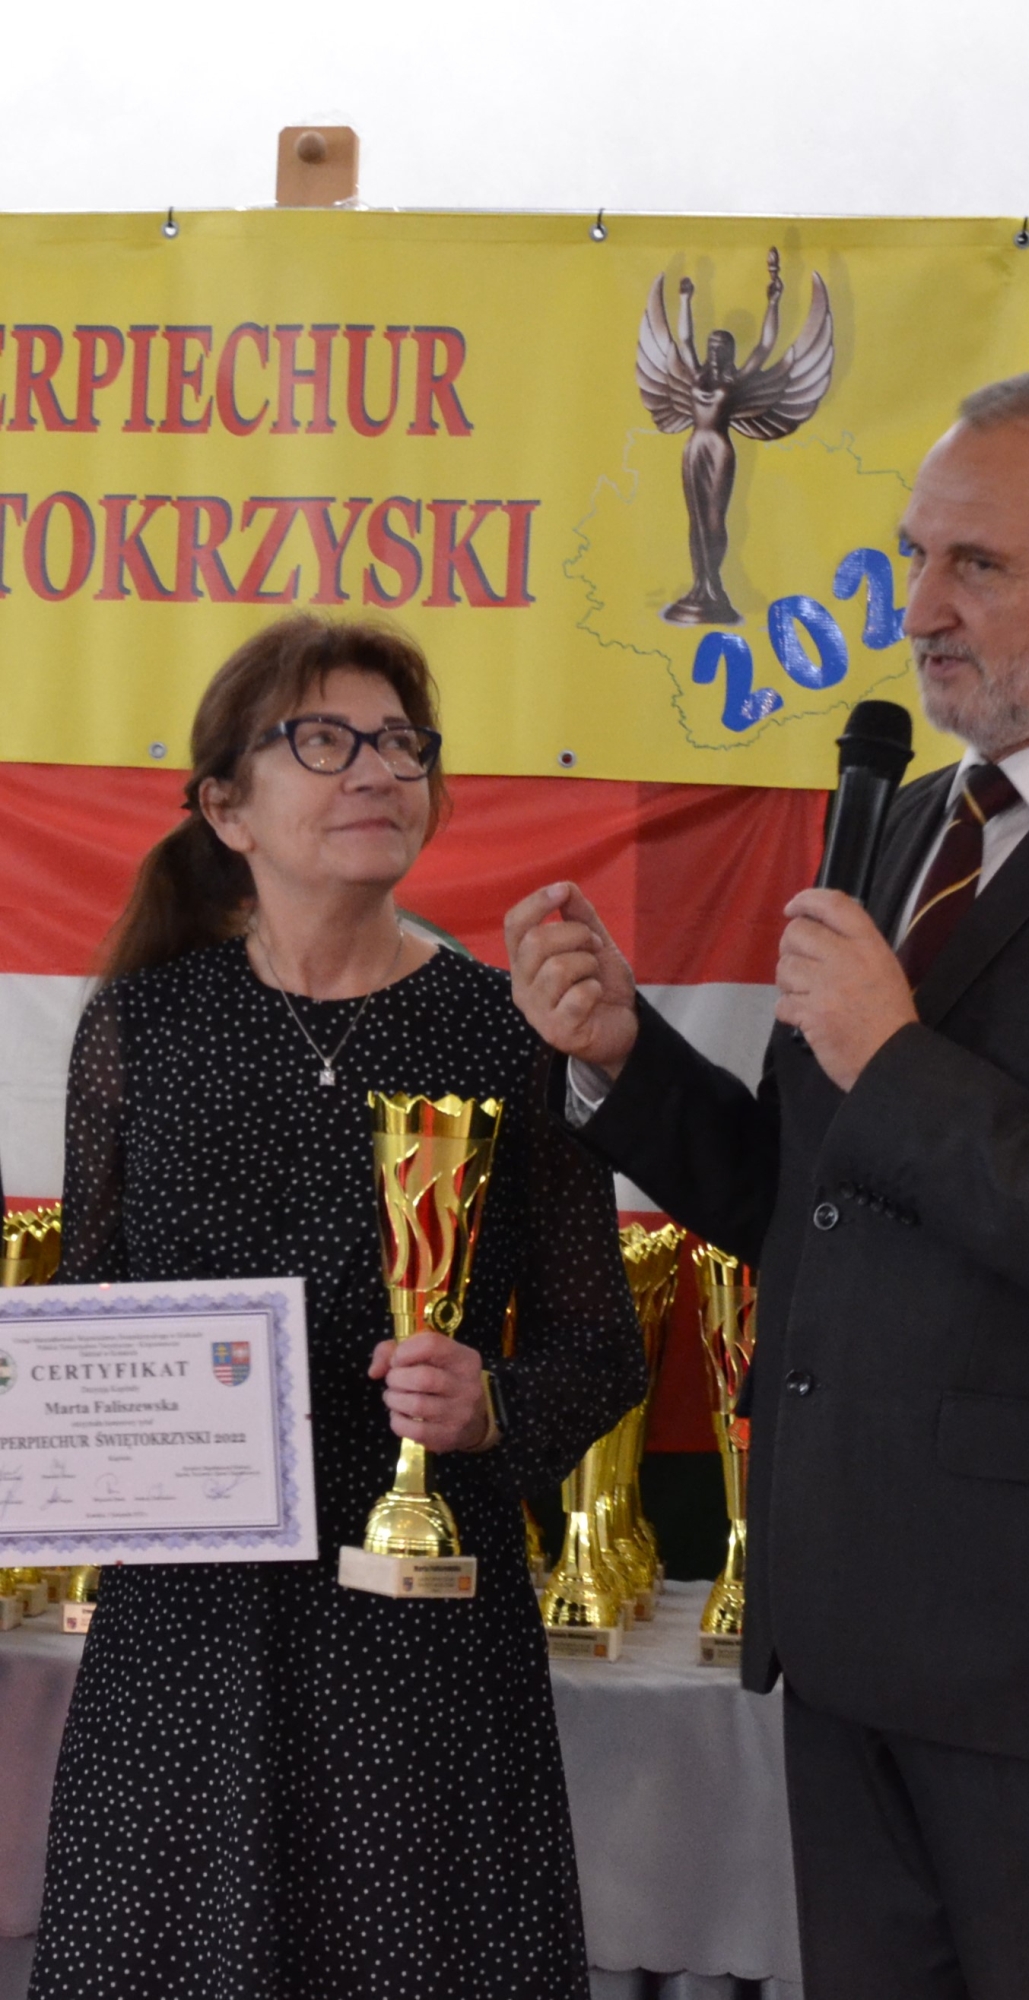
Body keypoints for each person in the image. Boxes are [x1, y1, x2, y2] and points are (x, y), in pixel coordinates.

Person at [505, 365, 1029, 2000]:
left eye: (976, 563)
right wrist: (622, 1058)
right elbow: (806, 1197)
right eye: (909, 556)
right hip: (853, 1637)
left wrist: (894, 1058)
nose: (919, 607)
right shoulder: (904, 828)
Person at [32, 614, 645, 2000]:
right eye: (323, 740)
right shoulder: (143, 1030)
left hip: (418, 1646)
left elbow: (601, 1347)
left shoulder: (507, 1028)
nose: (376, 769)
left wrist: (492, 1407)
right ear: (226, 809)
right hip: (184, 1657)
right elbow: (82, 1329)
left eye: (400, 743)